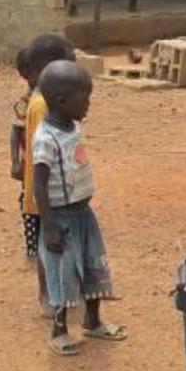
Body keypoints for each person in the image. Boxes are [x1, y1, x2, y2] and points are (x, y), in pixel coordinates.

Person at [33, 60, 127, 355]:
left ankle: (93, 320)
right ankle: (59, 330)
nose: (88, 104)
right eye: (84, 98)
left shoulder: (72, 124)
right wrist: (48, 225)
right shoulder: (45, 139)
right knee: (62, 272)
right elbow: (38, 183)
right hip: (60, 218)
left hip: (84, 214)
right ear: (61, 101)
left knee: (92, 265)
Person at [24, 34, 76, 317]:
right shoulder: (45, 104)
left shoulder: (39, 98)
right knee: (50, 243)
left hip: (46, 185)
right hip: (48, 188)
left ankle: (55, 294)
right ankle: (49, 296)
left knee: (54, 241)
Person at [9, 49, 38, 259]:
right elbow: (15, 132)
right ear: (24, 73)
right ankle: (32, 246)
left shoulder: (50, 99)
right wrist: (15, 162)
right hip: (29, 162)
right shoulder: (23, 103)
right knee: (28, 199)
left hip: (48, 159)